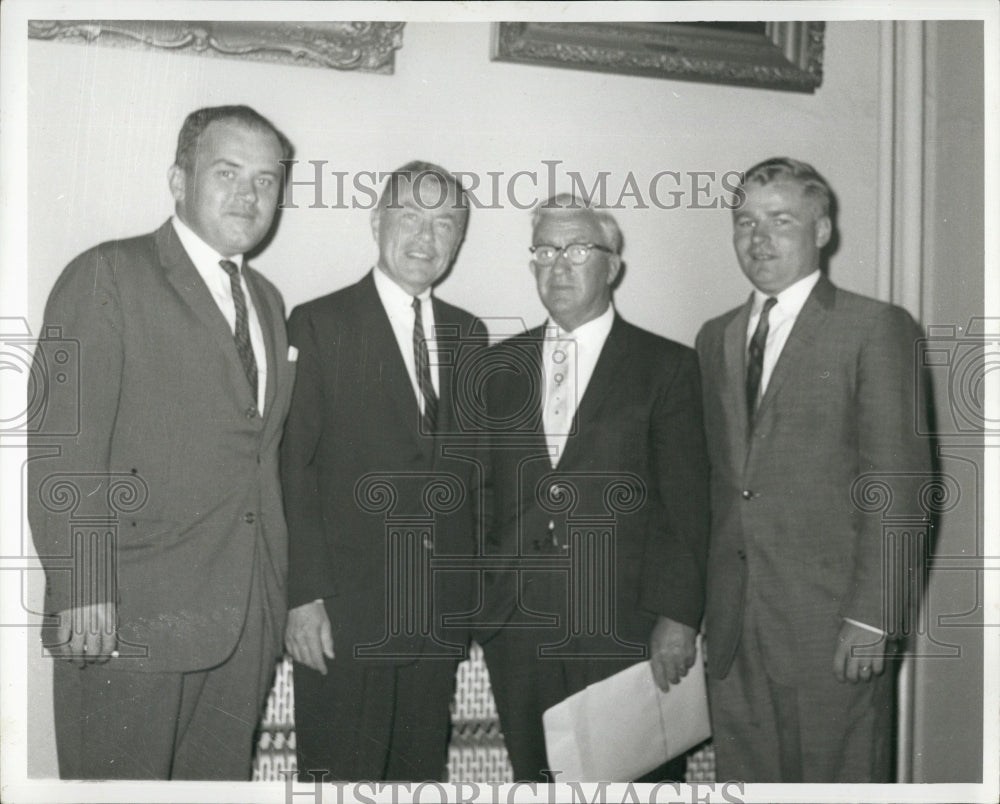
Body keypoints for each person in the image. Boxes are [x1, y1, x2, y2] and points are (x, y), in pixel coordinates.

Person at [27, 105, 296, 779]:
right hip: (129, 614)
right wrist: (83, 586)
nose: (250, 194)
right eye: (227, 172)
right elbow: (66, 446)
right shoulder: (108, 275)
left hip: (243, 623)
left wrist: (274, 599)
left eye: (267, 180)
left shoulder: (266, 299)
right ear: (178, 180)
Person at [696, 157, 931, 782]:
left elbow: (901, 489)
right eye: (744, 221)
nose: (758, 238)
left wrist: (874, 616)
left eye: (780, 220)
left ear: (822, 231)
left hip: (833, 628)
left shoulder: (874, 328)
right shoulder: (714, 336)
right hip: (736, 628)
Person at [478, 194, 710, 781]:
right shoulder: (497, 370)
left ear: (613, 266)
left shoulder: (667, 367)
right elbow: (478, 498)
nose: (559, 265)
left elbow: (686, 505)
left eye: (579, 250)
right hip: (520, 630)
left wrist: (678, 618)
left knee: (634, 786)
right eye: (545, 251)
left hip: (626, 630)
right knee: (537, 783)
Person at [281, 161, 484, 781]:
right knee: (341, 779)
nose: (426, 238)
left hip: (435, 617)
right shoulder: (318, 324)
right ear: (376, 221)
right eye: (410, 217)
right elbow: (294, 469)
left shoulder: (468, 334)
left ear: (458, 239)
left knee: (418, 778)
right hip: (346, 614)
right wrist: (304, 597)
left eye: (444, 222)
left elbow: (472, 479)